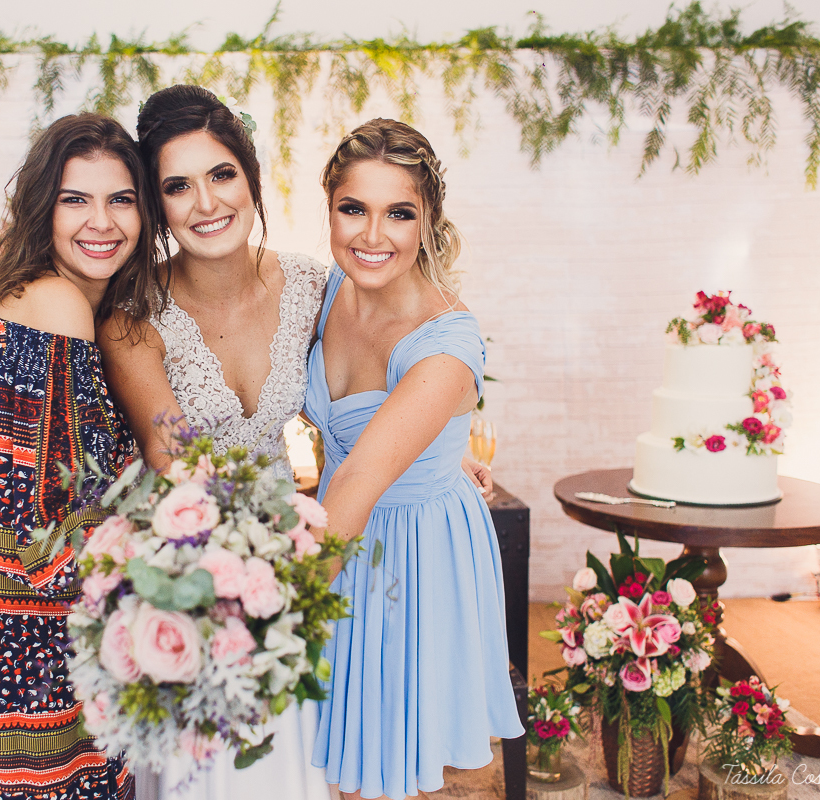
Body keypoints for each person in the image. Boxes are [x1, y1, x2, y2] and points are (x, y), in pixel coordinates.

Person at [0, 113, 159, 800]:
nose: (99, 221)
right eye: (75, 199)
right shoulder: (55, 305)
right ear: (44, 208)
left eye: (120, 199)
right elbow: (61, 524)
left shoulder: (62, 303)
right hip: (11, 643)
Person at [98, 84, 332, 800]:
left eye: (222, 174)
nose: (207, 203)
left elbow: (369, 396)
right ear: (155, 203)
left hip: (305, 561)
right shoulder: (132, 315)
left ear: (251, 176)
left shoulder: (317, 286)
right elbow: (175, 465)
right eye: (178, 186)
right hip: (196, 567)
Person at [304, 119, 525, 800]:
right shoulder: (330, 290)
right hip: (342, 526)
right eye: (354, 210)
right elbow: (363, 443)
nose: (373, 236)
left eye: (399, 213)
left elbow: (369, 471)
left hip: (412, 551)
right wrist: (439, 452)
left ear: (428, 221)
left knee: (403, 759)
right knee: (329, 753)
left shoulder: (445, 345)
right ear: (329, 209)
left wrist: (276, 607)